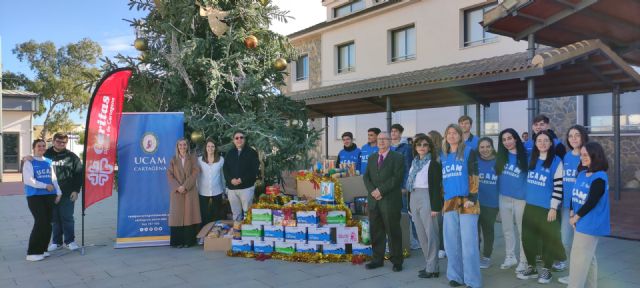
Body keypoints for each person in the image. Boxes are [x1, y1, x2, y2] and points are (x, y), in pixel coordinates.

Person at [518, 131, 565, 284]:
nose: (543, 143)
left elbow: (558, 187)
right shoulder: (532, 158)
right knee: (527, 238)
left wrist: (553, 208)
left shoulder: (556, 161)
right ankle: (531, 267)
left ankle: (547, 269)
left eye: (546, 140)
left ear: (551, 143)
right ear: (535, 143)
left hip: (547, 209)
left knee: (548, 239)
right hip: (531, 206)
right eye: (539, 140)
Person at [441, 124, 481, 288]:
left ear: (460, 135)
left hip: (467, 201)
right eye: (448, 133)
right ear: (446, 136)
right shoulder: (442, 155)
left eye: (454, 133)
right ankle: (455, 276)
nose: (451, 136)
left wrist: (473, 195)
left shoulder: (468, 151)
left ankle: (472, 280)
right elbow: (440, 181)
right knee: (451, 242)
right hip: (449, 202)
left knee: (469, 243)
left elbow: (474, 174)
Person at [566, 142, 610, 288]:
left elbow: (592, 201)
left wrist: (575, 217)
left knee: (578, 261)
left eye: (586, 155)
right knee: (589, 258)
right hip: (579, 221)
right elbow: (574, 195)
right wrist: (572, 211)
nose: (582, 157)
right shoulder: (582, 174)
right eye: (581, 155)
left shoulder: (599, 177)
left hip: (590, 224)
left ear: (595, 156)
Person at [363, 132, 405, 272]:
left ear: (390, 141)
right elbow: (366, 177)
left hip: (390, 200)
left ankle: (397, 261)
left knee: (393, 231)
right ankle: (377, 260)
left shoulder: (398, 157)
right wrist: (373, 191)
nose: (381, 141)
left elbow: (397, 178)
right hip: (374, 201)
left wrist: (380, 190)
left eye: (384, 139)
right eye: (379, 139)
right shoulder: (372, 157)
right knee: (376, 231)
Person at [37, 133, 82, 252]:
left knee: (67, 217)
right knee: (54, 219)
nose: (61, 144)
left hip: (67, 193)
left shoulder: (72, 157)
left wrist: (76, 190)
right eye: (58, 142)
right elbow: (34, 162)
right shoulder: (45, 155)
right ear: (53, 141)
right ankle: (57, 242)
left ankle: (70, 241)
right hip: (50, 193)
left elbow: (79, 174)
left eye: (64, 142)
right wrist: (27, 158)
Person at [406, 135, 443, 278]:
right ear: (415, 147)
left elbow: (436, 187)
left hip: (427, 197)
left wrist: (435, 207)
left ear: (429, 147)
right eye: (419, 144)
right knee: (421, 235)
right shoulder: (414, 163)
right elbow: (411, 184)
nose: (422, 147)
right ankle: (430, 265)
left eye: (425, 145)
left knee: (431, 233)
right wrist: (410, 205)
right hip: (414, 197)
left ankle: (432, 267)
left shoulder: (433, 164)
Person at [556, 125, 589, 277]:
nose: (574, 138)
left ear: (583, 136)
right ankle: (569, 267)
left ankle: (579, 273)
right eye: (570, 136)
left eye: (577, 135)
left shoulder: (589, 155)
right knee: (565, 239)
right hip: (566, 206)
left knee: (582, 243)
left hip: (582, 207)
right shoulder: (566, 157)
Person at [495, 128, 529, 273]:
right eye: (504, 140)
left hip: (521, 199)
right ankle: (510, 256)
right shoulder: (501, 157)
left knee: (523, 231)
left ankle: (524, 261)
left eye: (509, 138)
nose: (507, 142)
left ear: (516, 139)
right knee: (507, 229)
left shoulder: (526, 156)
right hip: (504, 197)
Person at [23, 139, 62, 261]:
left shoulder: (48, 161)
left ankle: (43, 249)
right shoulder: (29, 162)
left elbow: (54, 179)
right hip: (35, 196)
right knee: (40, 222)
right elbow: (28, 180)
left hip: (49, 196)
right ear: (34, 148)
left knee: (48, 223)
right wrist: (44, 186)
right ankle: (32, 252)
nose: (41, 147)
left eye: (44, 146)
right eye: (39, 146)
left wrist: (59, 192)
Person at [167, 138, 201, 248]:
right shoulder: (173, 159)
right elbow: (169, 175)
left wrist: (185, 186)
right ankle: (177, 242)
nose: (182, 147)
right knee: (177, 216)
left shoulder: (193, 158)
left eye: (184, 145)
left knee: (189, 215)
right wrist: (178, 187)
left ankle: (188, 241)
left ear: (187, 146)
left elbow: (196, 172)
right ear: (177, 147)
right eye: (180, 145)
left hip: (189, 190)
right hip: (177, 192)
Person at [390, 123, 419, 249]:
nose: (393, 133)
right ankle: (399, 239)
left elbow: (408, 167)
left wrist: (406, 185)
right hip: (391, 186)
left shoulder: (406, 148)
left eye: (396, 131)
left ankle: (414, 240)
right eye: (391, 131)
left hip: (402, 186)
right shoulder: (389, 147)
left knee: (406, 213)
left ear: (401, 133)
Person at [223, 130, 260, 221]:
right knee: (236, 214)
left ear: (245, 139)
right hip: (232, 190)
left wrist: (242, 180)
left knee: (248, 213)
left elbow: (254, 170)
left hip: (246, 188)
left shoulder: (252, 153)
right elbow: (225, 169)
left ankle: (248, 233)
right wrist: (231, 180)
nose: (239, 139)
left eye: (241, 137)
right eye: (236, 138)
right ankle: (237, 232)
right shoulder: (229, 153)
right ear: (233, 140)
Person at [477, 137, 499, 269]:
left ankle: (486, 256)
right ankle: (475, 254)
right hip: (475, 202)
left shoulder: (498, 162)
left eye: (488, 146)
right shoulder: (474, 161)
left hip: (491, 204)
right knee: (474, 231)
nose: (485, 150)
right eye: (482, 147)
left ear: (492, 147)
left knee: (488, 230)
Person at [197, 138, 225, 226]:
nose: (210, 148)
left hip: (217, 191)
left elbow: (223, 175)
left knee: (217, 214)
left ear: (215, 148)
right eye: (208, 146)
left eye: (212, 146)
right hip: (203, 191)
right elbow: (196, 175)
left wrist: (224, 190)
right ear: (205, 148)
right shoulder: (199, 160)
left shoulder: (221, 160)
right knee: (204, 215)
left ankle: (216, 235)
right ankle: (203, 236)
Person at [428, 130, 447, 259]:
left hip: (441, 191)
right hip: (431, 191)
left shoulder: (440, 155)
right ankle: (437, 246)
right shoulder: (429, 154)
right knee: (434, 222)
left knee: (441, 222)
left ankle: (442, 247)